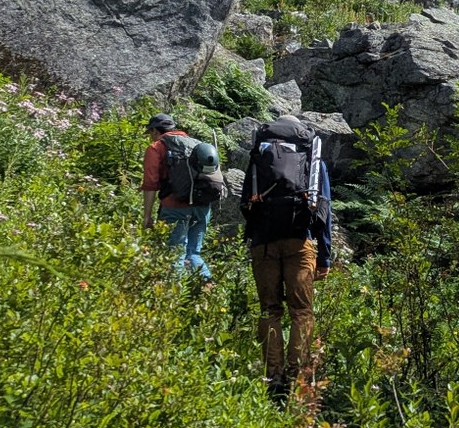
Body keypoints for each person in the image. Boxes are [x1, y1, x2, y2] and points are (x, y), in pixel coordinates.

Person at [241, 116, 332, 402]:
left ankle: (274, 378)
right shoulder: (312, 158)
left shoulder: (260, 156)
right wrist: (325, 257)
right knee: (301, 311)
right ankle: (297, 376)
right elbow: (324, 209)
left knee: (270, 310)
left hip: (263, 244)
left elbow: (246, 202)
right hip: (299, 240)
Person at [141, 112, 222, 282]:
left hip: (175, 207)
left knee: (174, 253)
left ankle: (175, 294)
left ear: (155, 130)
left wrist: (147, 216)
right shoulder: (195, 143)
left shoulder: (156, 148)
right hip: (202, 206)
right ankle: (208, 290)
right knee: (193, 253)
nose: (150, 137)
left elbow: (150, 184)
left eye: (150, 133)